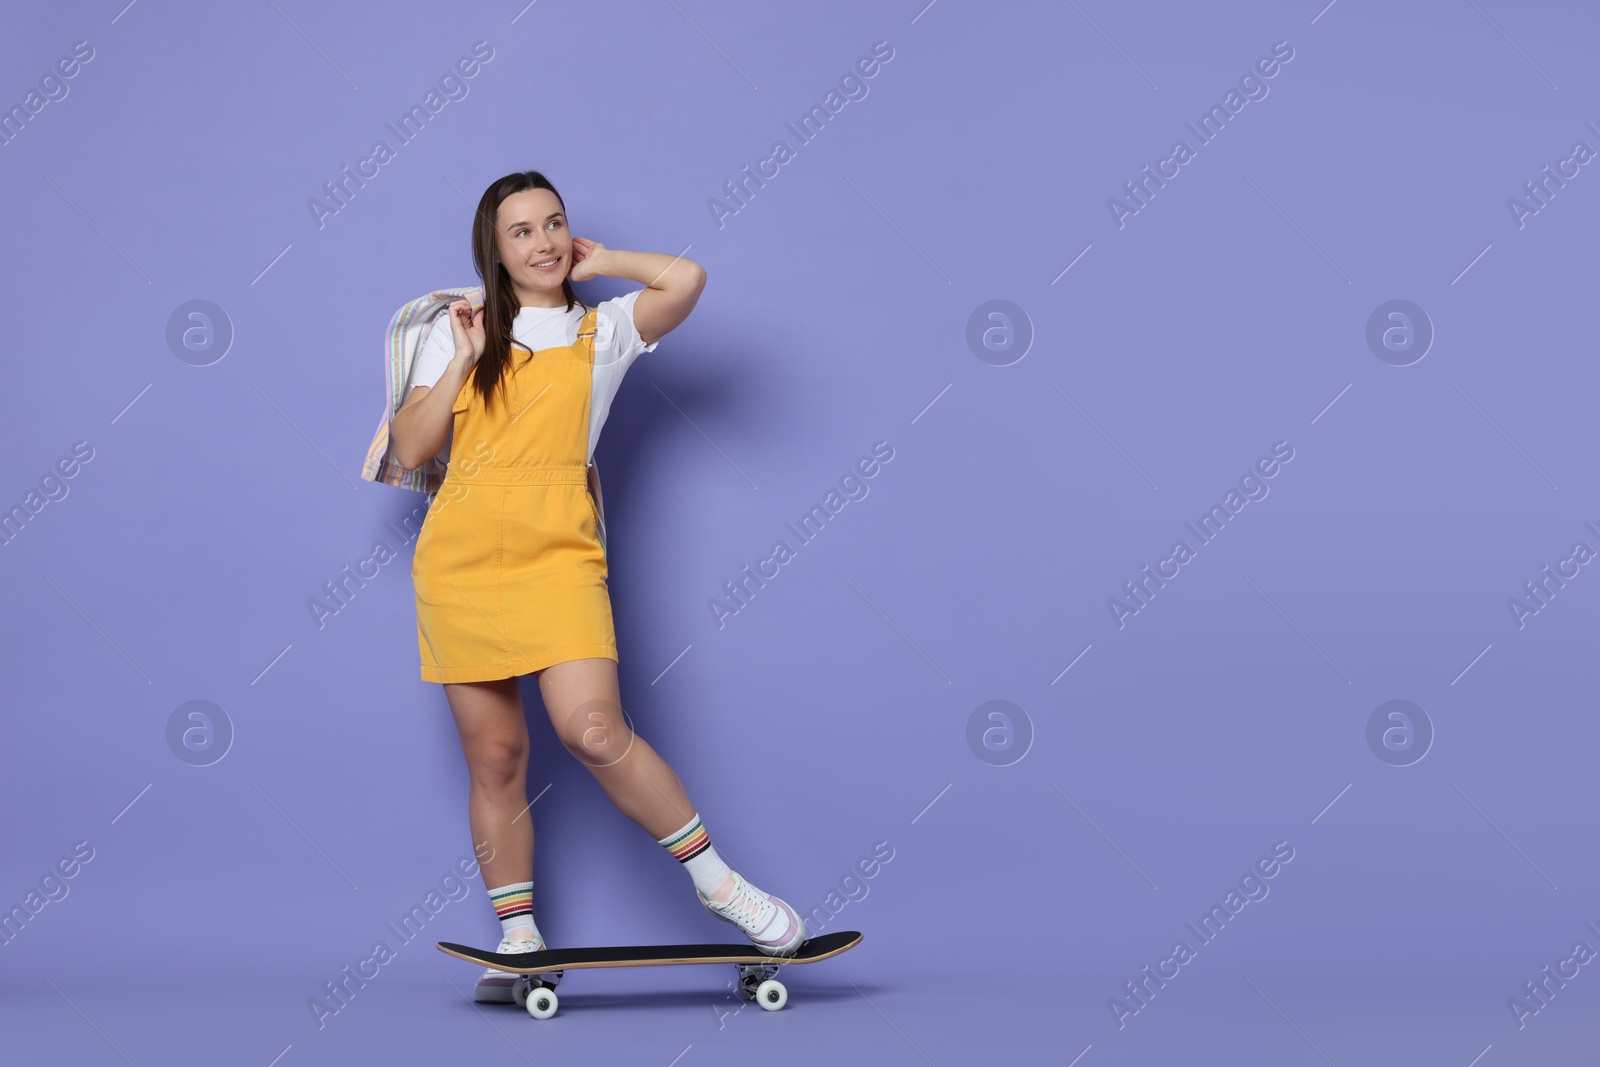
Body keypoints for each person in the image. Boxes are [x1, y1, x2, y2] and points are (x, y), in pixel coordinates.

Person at [388, 171, 804, 1003]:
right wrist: (464, 361)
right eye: (521, 231)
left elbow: (684, 280)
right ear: (493, 250)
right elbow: (409, 445)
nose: (542, 242)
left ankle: (722, 886)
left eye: (555, 225)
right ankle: (520, 936)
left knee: (593, 730)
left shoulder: (603, 330)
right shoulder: (455, 334)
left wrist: (608, 258)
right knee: (497, 755)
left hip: (561, 558)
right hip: (460, 565)